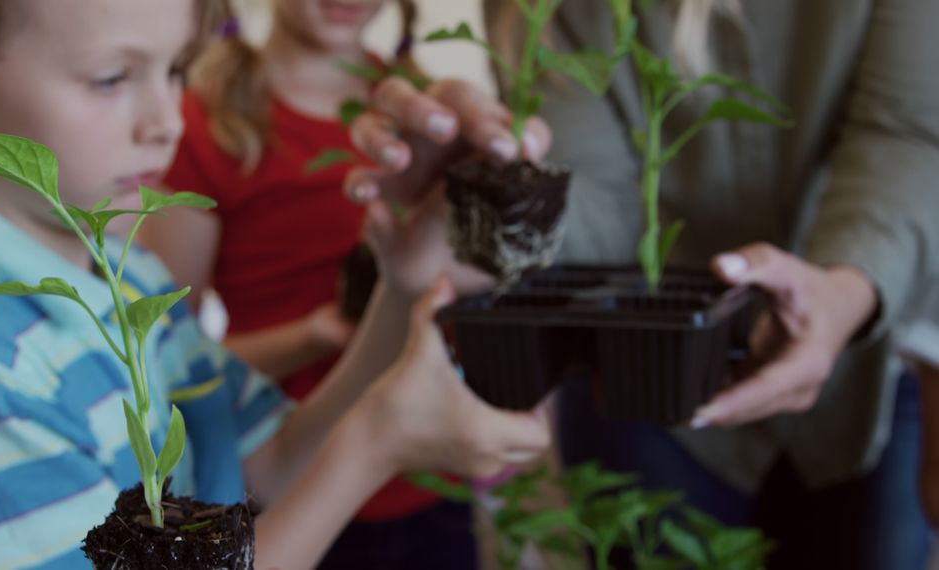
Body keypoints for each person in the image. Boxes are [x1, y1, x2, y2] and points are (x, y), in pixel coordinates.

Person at [0, 1, 552, 568]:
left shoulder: (130, 279)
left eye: (176, 71)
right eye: (110, 78)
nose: (166, 121)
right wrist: (376, 442)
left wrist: (400, 291)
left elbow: (269, 462)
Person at [347, 0, 939, 567]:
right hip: (647, 373)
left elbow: (909, 130)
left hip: (862, 368)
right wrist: (491, 212)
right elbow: (602, 200)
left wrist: (849, 286)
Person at [142, 1, 474, 565]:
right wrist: (312, 335)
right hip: (290, 487)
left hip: (426, 478)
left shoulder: (425, 118)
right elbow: (166, 363)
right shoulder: (205, 124)